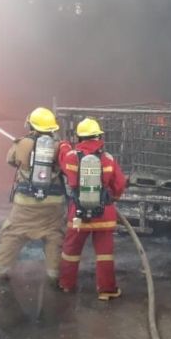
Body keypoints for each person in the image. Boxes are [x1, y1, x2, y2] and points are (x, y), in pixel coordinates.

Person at [0, 107, 69, 284]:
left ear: (31, 125)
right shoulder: (60, 146)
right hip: (53, 205)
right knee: (54, 236)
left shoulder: (22, 143)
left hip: (26, 204)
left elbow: (10, 160)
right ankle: (54, 274)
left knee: (12, 234)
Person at [58, 118, 127, 301]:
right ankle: (107, 290)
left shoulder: (72, 156)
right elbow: (120, 184)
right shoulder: (108, 159)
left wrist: (64, 145)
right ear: (98, 136)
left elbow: (63, 161)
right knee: (104, 254)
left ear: (80, 136)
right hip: (104, 214)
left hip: (79, 214)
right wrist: (112, 197)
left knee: (70, 251)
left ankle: (66, 285)